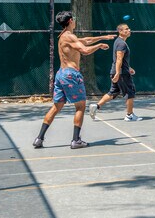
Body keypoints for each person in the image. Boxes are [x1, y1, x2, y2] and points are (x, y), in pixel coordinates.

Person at [33, 11, 114, 149]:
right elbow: (85, 50)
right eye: (74, 19)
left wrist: (103, 37)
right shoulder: (69, 36)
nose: (75, 20)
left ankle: (39, 139)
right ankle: (76, 140)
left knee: (56, 107)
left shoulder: (64, 36)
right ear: (70, 21)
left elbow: (85, 40)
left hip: (61, 74)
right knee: (80, 107)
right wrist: (99, 46)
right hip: (71, 75)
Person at [89, 23, 142, 122]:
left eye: (129, 29)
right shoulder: (121, 43)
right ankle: (129, 115)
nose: (129, 30)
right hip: (121, 73)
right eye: (126, 29)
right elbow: (119, 59)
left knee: (113, 92)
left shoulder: (119, 42)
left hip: (119, 71)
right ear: (120, 31)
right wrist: (118, 73)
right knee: (130, 92)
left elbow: (121, 60)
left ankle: (96, 106)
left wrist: (128, 67)